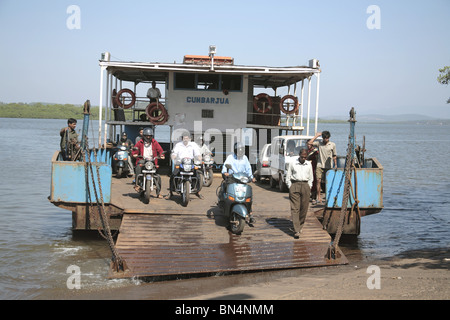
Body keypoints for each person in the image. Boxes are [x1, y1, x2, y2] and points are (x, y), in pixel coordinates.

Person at [221, 142, 256, 223]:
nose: (240, 152)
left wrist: (251, 177)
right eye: (238, 150)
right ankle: (225, 205)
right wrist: (224, 172)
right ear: (235, 150)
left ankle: (250, 212)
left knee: (248, 195)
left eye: (241, 150)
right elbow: (225, 166)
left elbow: (248, 169)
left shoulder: (245, 158)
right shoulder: (231, 157)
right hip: (232, 178)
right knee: (227, 192)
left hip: (242, 179)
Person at [286, 149, 314, 239]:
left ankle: (300, 225)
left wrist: (309, 186)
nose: (303, 158)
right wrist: (290, 186)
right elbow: (288, 176)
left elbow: (311, 177)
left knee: (304, 208)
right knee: (295, 208)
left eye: (305, 157)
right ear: (299, 155)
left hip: (305, 186)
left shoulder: (308, 164)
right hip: (295, 184)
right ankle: (296, 230)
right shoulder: (293, 163)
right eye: (302, 157)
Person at [166, 133, 203, 200]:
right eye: (184, 138)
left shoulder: (193, 145)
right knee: (173, 175)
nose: (185, 139)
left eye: (187, 138)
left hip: (190, 163)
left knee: (197, 175)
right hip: (180, 163)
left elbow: (197, 153)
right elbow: (174, 152)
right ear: (182, 138)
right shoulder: (178, 145)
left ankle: (198, 192)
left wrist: (199, 157)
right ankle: (170, 192)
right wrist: (173, 156)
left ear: (189, 138)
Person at [132, 128, 165, 197]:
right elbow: (135, 149)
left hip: (152, 160)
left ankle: (158, 193)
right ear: (144, 135)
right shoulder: (140, 142)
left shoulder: (154, 142)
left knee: (158, 176)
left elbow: (160, 150)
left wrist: (162, 155)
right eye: (146, 136)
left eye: (149, 136)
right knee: (138, 166)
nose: (148, 137)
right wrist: (134, 154)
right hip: (143, 159)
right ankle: (137, 184)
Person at [308, 130, 337, 204]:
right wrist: (316, 136)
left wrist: (335, 165)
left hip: (328, 166)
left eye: (327, 138)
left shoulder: (332, 144)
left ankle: (328, 196)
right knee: (318, 181)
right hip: (320, 165)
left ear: (329, 138)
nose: (325, 139)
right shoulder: (319, 143)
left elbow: (334, 156)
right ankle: (319, 197)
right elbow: (309, 143)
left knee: (328, 182)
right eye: (324, 138)